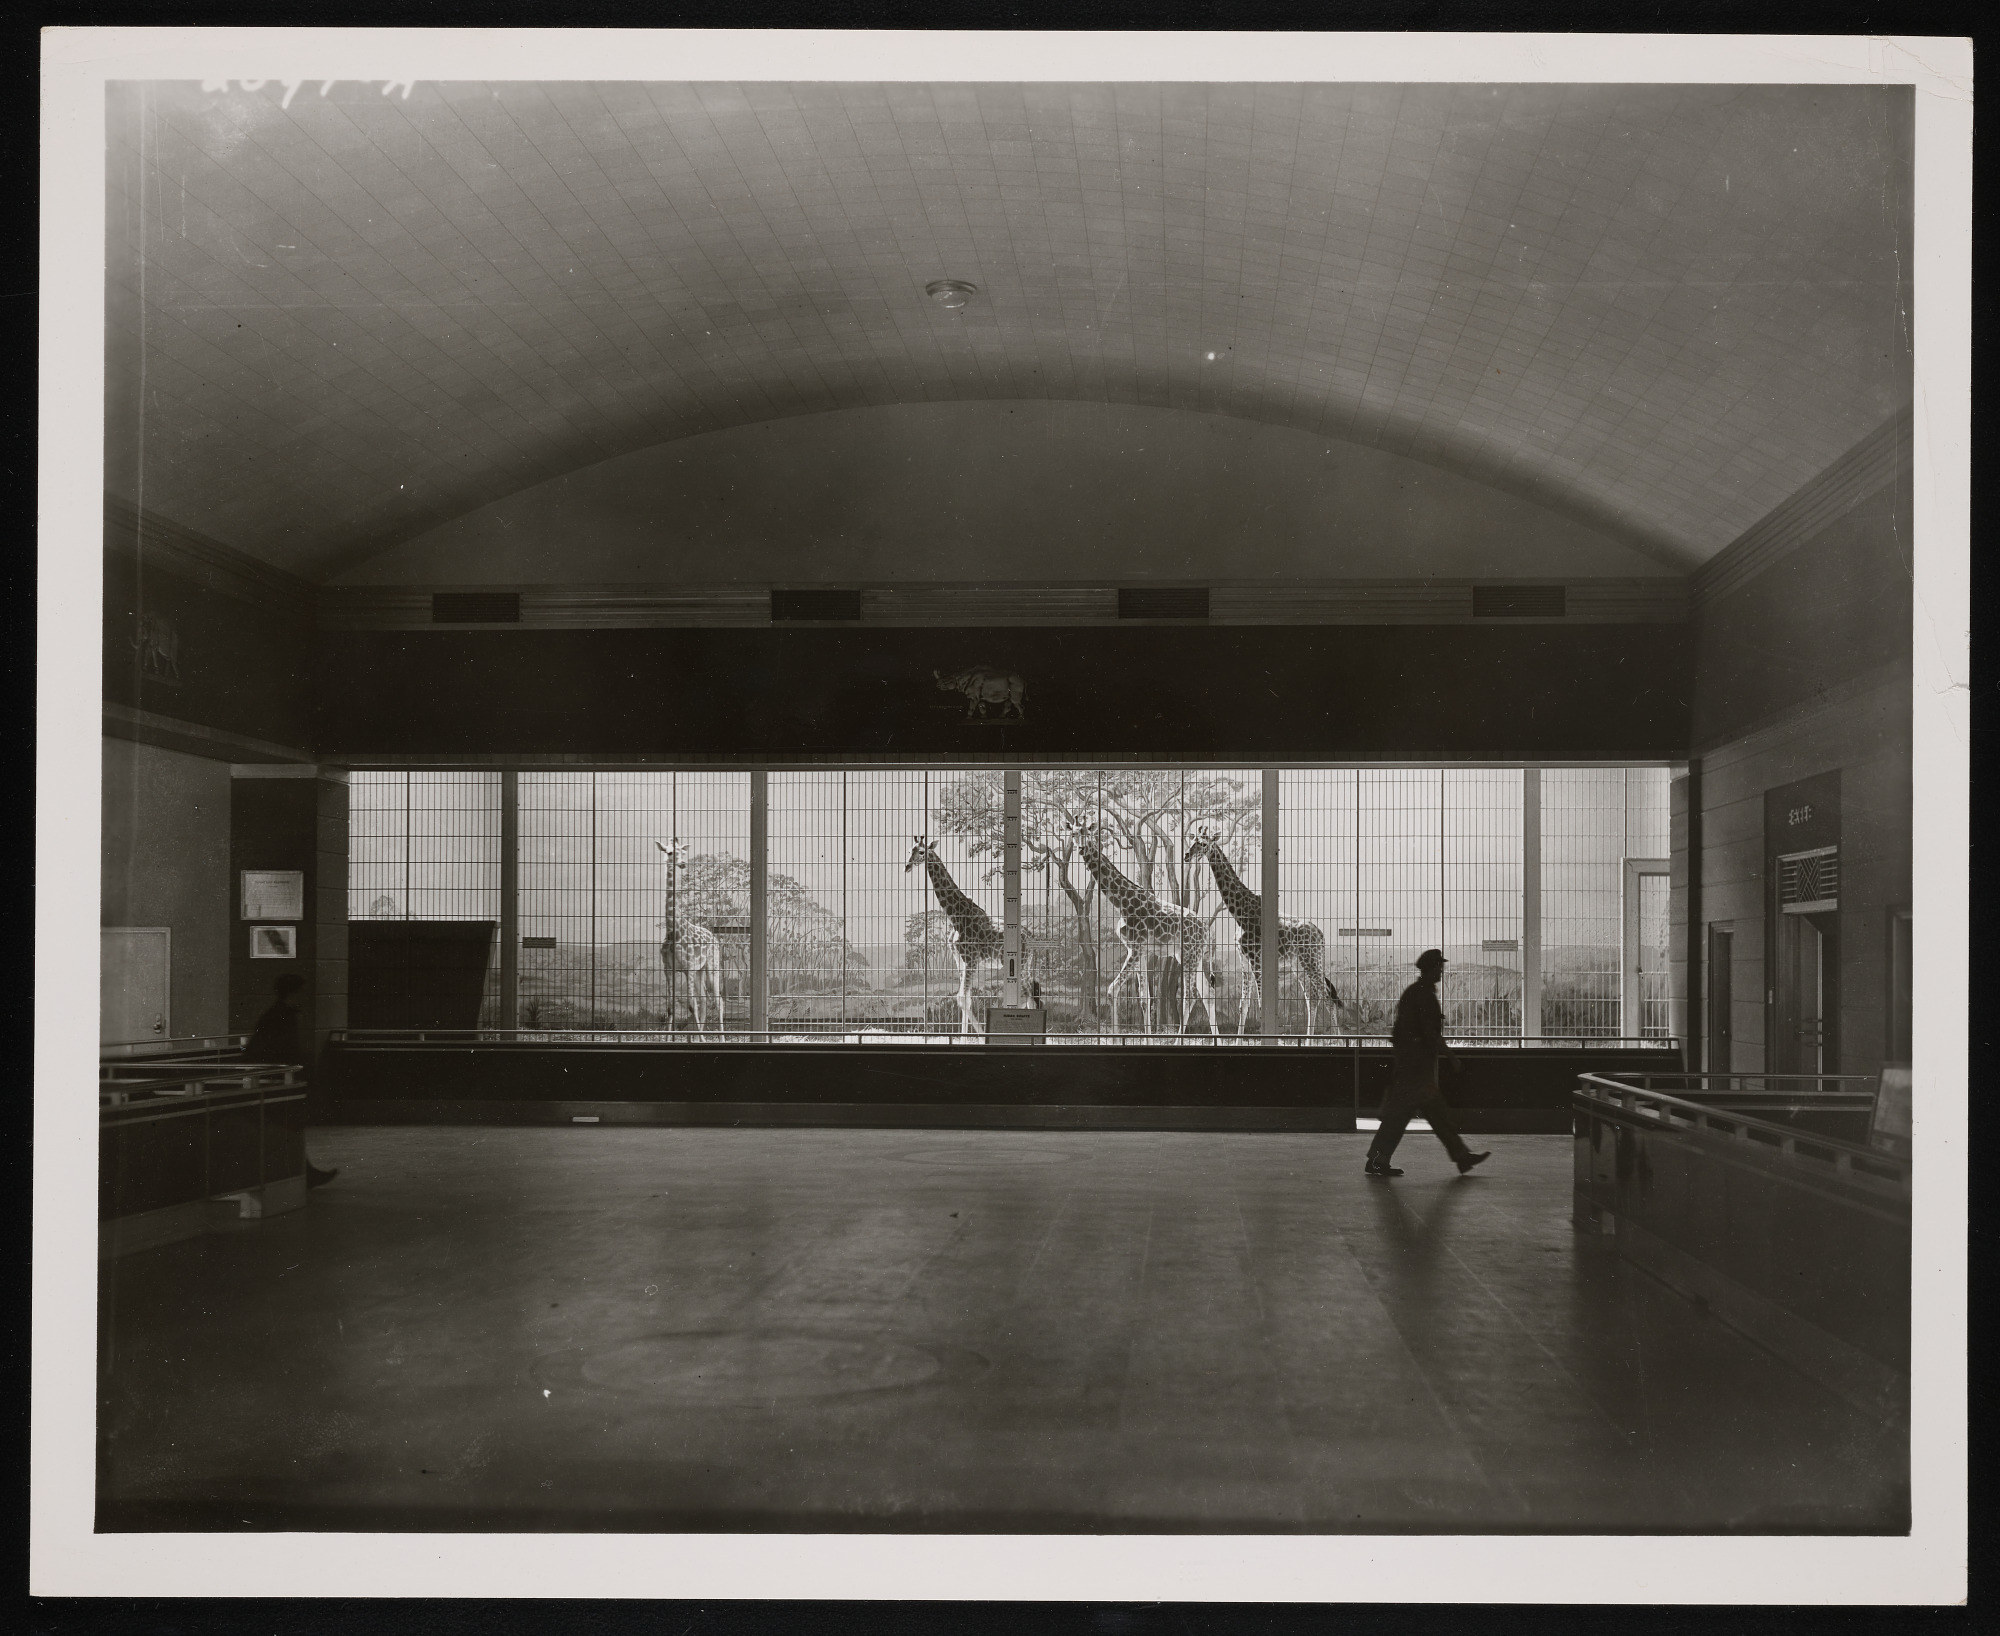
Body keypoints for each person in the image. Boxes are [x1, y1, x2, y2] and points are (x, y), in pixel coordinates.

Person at [1364, 949, 1490, 1179]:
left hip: (1411, 1065)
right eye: (1439, 967)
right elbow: (1430, 1033)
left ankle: (1379, 1159)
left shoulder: (1415, 992)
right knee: (1420, 1113)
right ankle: (1460, 1156)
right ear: (1431, 969)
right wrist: (1451, 1057)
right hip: (1416, 1068)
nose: (1441, 971)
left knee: (1416, 1113)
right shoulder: (1424, 995)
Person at [244, 973, 338, 1189]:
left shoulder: (278, 1014)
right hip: (280, 1081)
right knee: (289, 1126)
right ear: (293, 993)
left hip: (280, 1079)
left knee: (289, 1127)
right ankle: (303, 1173)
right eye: (302, 992)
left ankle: (305, 1172)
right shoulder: (281, 1016)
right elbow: (283, 1050)